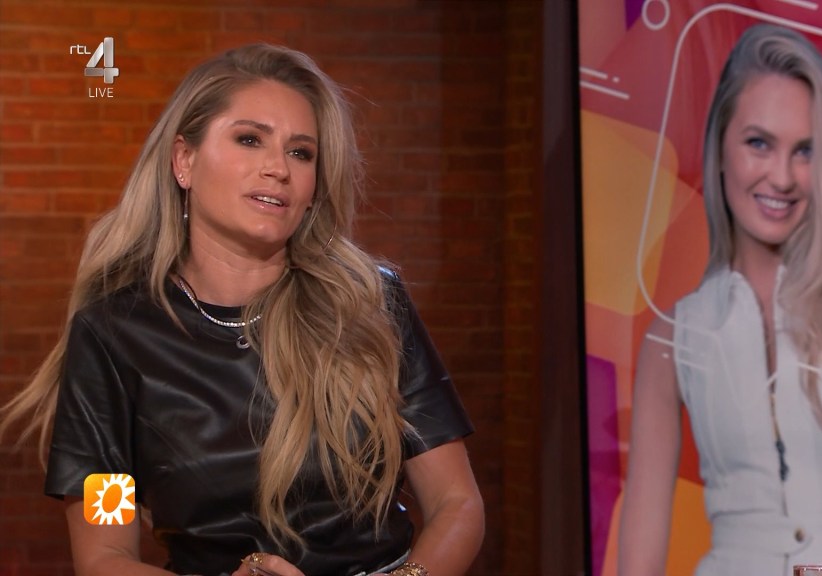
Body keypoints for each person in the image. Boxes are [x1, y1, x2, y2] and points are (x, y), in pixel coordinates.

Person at [0, 44, 484, 576]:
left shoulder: (371, 303)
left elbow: (456, 503)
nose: (278, 168)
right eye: (250, 139)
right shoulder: (112, 338)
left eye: (301, 153)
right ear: (184, 161)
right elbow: (104, 555)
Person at [617, 24, 822, 576]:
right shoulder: (674, 337)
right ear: (721, 148)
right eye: (759, 143)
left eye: (805, 150)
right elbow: (638, 564)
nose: (783, 177)